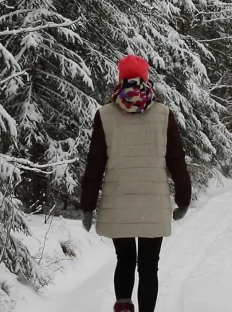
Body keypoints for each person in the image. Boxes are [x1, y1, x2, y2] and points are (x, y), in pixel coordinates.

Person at [80, 54, 192, 312]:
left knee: (125, 259)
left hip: (118, 201)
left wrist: (87, 206)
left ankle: (123, 307)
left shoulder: (105, 115)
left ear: (121, 79)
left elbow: (95, 165)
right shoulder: (164, 115)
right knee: (149, 266)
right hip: (153, 203)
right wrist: (183, 199)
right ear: (146, 78)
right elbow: (176, 160)